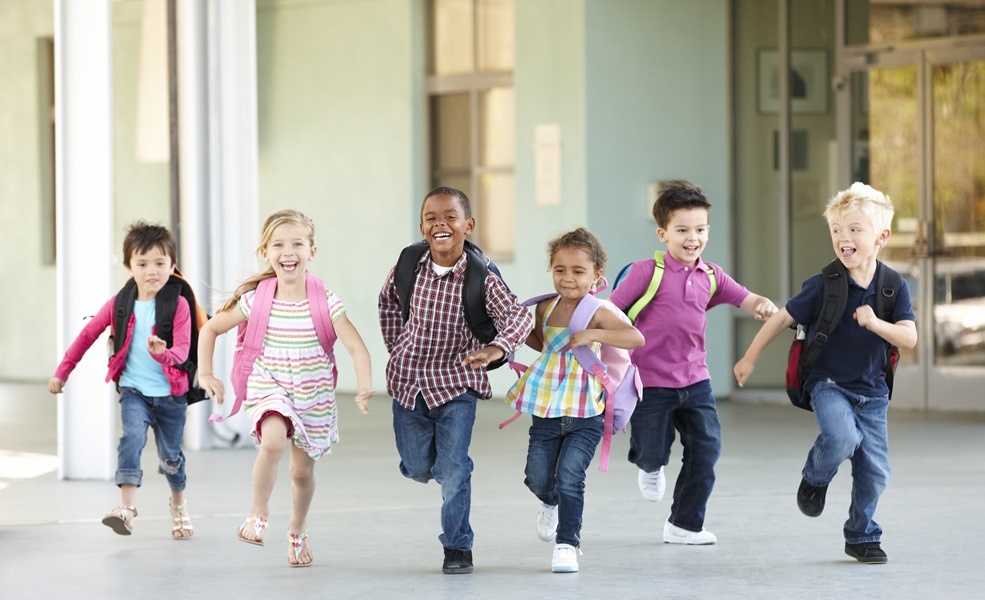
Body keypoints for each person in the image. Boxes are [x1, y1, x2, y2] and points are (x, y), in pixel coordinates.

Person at [734, 182, 916, 564]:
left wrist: (875, 324)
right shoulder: (823, 285)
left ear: (881, 237)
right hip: (828, 385)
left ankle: (861, 535)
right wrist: (749, 357)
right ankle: (815, 478)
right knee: (841, 436)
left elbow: (909, 338)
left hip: (873, 393)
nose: (843, 237)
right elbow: (783, 317)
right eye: (836, 230)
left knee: (876, 470)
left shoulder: (892, 287)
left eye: (854, 229)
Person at [197, 209, 374, 567]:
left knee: (300, 472)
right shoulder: (256, 300)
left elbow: (356, 347)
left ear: (312, 251)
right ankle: (257, 513)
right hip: (270, 385)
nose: (288, 251)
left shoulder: (325, 301)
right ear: (266, 252)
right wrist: (206, 373)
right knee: (274, 441)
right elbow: (210, 329)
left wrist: (364, 386)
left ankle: (297, 528)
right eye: (278, 244)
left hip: (313, 395)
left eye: (297, 243)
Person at [608, 180, 778, 545]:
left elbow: (747, 298)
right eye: (682, 230)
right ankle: (650, 465)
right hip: (649, 381)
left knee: (707, 448)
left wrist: (762, 305)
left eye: (700, 230)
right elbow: (610, 312)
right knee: (653, 449)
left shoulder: (711, 276)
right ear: (663, 233)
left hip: (695, 380)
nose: (692, 238)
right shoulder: (645, 272)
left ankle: (684, 525)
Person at [378, 186, 534, 575]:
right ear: (422, 226)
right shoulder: (408, 265)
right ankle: (438, 472)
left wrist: (497, 349)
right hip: (408, 382)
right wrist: (396, 346)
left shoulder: (481, 277)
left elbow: (520, 317)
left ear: (469, 225)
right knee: (417, 468)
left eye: (450, 217)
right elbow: (387, 302)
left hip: (456, 385)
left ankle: (458, 547)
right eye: (431, 218)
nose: (440, 224)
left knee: (454, 469)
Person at [506, 228, 644, 573]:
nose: (568, 278)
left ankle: (567, 543)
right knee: (537, 476)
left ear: (597, 276)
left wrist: (595, 333)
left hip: (586, 409)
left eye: (578, 271)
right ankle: (549, 502)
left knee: (571, 474)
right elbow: (541, 343)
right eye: (560, 270)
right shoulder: (544, 308)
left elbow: (635, 337)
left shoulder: (598, 310)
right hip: (547, 406)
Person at [48, 221, 197, 540]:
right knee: (131, 438)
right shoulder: (120, 303)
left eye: (160, 263)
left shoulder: (178, 304)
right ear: (129, 266)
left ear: (173, 266)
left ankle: (178, 504)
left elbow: (183, 350)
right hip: (135, 391)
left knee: (171, 458)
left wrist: (162, 353)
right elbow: (87, 335)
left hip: (171, 396)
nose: (152, 271)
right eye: (142, 264)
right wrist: (63, 371)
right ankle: (127, 510)